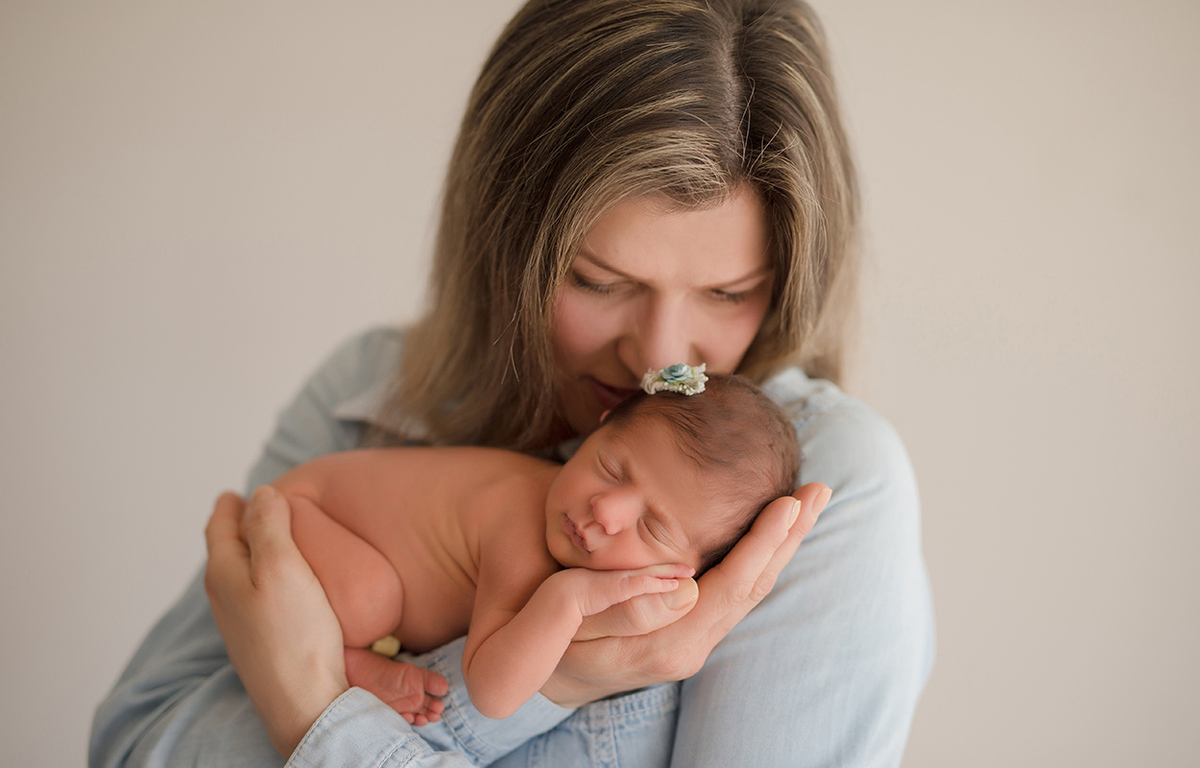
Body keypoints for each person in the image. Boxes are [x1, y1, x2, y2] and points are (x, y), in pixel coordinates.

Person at [91, 1, 935, 766]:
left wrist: (308, 702)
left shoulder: (824, 484)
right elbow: (136, 739)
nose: (659, 360)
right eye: (600, 281)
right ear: (505, 237)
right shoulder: (368, 391)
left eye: (728, 294)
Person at [278, 370, 798, 725]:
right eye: (610, 468)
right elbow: (493, 694)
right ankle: (348, 658)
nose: (606, 510)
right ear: (597, 431)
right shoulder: (520, 526)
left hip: (324, 526)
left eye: (653, 528)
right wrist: (568, 599)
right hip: (303, 512)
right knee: (369, 602)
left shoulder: (582, 526)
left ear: (686, 573)